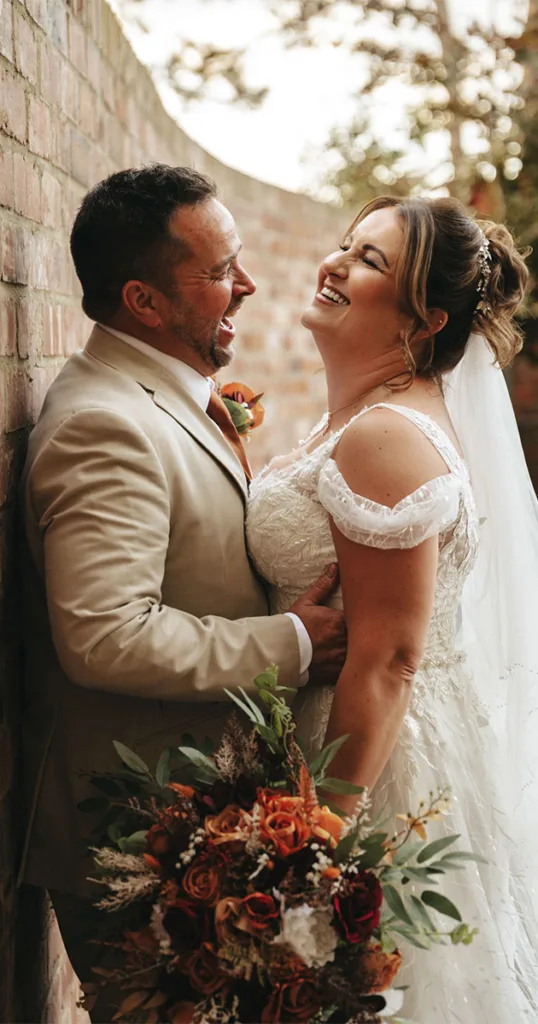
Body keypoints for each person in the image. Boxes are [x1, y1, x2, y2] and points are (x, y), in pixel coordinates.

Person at [18, 164, 346, 1020]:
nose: (248, 284)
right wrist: (294, 644)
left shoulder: (164, 395)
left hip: (200, 818)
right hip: (138, 834)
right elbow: (105, 636)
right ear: (145, 302)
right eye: (220, 271)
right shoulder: (105, 424)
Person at [247, 195, 538, 1021]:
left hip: (372, 776)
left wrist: (315, 852)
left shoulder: (383, 437)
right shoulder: (360, 422)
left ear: (424, 318)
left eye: (369, 261)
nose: (336, 263)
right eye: (346, 246)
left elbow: (389, 658)